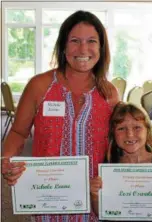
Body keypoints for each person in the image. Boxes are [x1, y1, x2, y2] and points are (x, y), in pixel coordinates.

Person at [1, 10, 120, 222]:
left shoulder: (109, 93)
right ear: (63, 46)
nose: (83, 49)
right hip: (48, 197)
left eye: (91, 41)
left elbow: (118, 143)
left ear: (101, 48)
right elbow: (19, 131)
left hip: (93, 199)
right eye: (75, 40)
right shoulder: (40, 85)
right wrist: (8, 159)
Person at [90, 102, 152, 219]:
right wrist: (95, 196)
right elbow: (101, 211)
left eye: (137, 127)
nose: (129, 134)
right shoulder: (109, 169)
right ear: (113, 135)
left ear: (148, 131)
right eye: (121, 128)